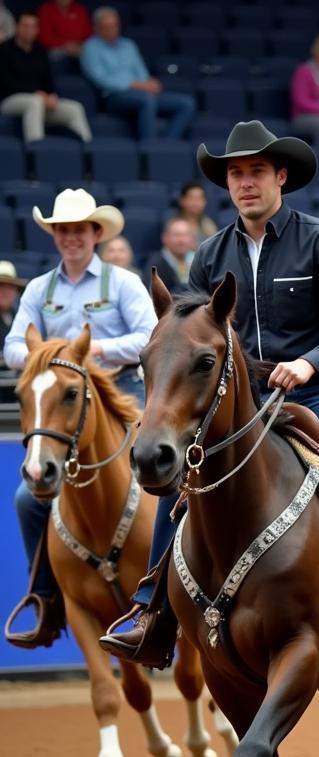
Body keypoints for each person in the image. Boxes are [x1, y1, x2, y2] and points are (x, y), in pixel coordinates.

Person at [98, 120, 319, 675]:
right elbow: (192, 335)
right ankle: (151, 613)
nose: (245, 183)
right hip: (237, 402)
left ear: (281, 176)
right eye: (236, 174)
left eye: (256, 171)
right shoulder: (209, 256)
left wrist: (308, 363)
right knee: (178, 482)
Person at [3, 188, 156, 649]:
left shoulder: (123, 283)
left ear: (95, 233)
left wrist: (100, 350)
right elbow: (13, 347)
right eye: (62, 230)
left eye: (79, 230)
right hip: (65, 411)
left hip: (123, 399)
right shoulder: (38, 290)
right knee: (28, 500)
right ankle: (46, 599)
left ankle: (188, 587)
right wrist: (54, 357)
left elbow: (150, 337)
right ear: (54, 236)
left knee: (167, 474)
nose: (71, 238)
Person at [81, 7, 195, 141]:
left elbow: (141, 72)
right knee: (147, 101)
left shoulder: (128, 45)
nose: (112, 30)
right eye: (107, 27)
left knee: (187, 103)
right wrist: (135, 85)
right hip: (114, 97)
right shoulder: (90, 48)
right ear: (96, 28)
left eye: (115, 25)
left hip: (142, 92)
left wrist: (148, 83)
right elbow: (100, 79)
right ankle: (150, 147)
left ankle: (166, 144)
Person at [0, 11, 92, 143]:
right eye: (25, 25)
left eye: (33, 26)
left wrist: (52, 95)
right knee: (34, 101)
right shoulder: (4, 50)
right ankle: (36, 148)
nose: (29, 30)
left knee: (75, 109)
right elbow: (6, 83)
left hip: (40, 100)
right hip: (8, 101)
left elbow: (49, 80)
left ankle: (87, 150)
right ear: (17, 27)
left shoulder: (41, 51)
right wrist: (36, 93)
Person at [147, 216, 197, 295]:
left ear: (192, 239)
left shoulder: (199, 260)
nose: (181, 240)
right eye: (177, 235)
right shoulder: (155, 264)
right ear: (164, 238)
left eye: (186, 235)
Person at [0, 260, 26, 353]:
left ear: (16, 292)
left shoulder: (22, 318)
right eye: (1, 286)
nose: (5, 292)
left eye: (10, 287)